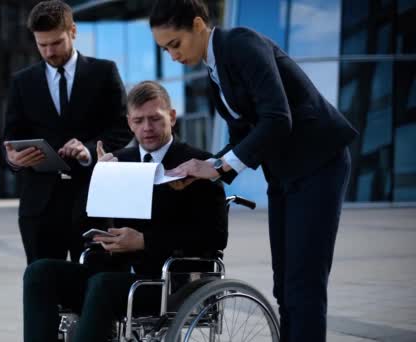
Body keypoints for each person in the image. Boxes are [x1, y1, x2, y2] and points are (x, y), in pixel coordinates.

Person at [148, 1, 359, 341]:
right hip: (285, 172)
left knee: (303, 284)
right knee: (284, 285)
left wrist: (218, 167)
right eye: (165, 49)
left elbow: (277, 118)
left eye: (175, 44)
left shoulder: (242, 43)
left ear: (199, 26)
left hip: (319, 164)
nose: (172, 55)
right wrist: (202, 169)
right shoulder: (215, 70)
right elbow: (242, 135)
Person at [22, 81, 228, 342]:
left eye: (155, 119)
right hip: (113, 272)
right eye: (139, 120)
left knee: (103, 285)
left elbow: (215, 236)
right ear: (129, 123)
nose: (147, 128)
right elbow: (81, 223)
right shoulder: (118, 159)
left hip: (168, 280)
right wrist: (99, 177)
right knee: (40, 272)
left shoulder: (197, 163)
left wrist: (144, 241)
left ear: (172, 117)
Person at [2, 0, 132, 264]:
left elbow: (122, 125)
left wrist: (89, 149)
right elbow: (11, 137)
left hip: (94, 203)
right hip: (40, 208)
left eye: (56, 42)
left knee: (94, 289)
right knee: (44, 290)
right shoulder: (22, 82)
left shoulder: (104, 72)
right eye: (42, 45)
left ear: (73, 31)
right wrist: (13, 160)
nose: (49, 51)